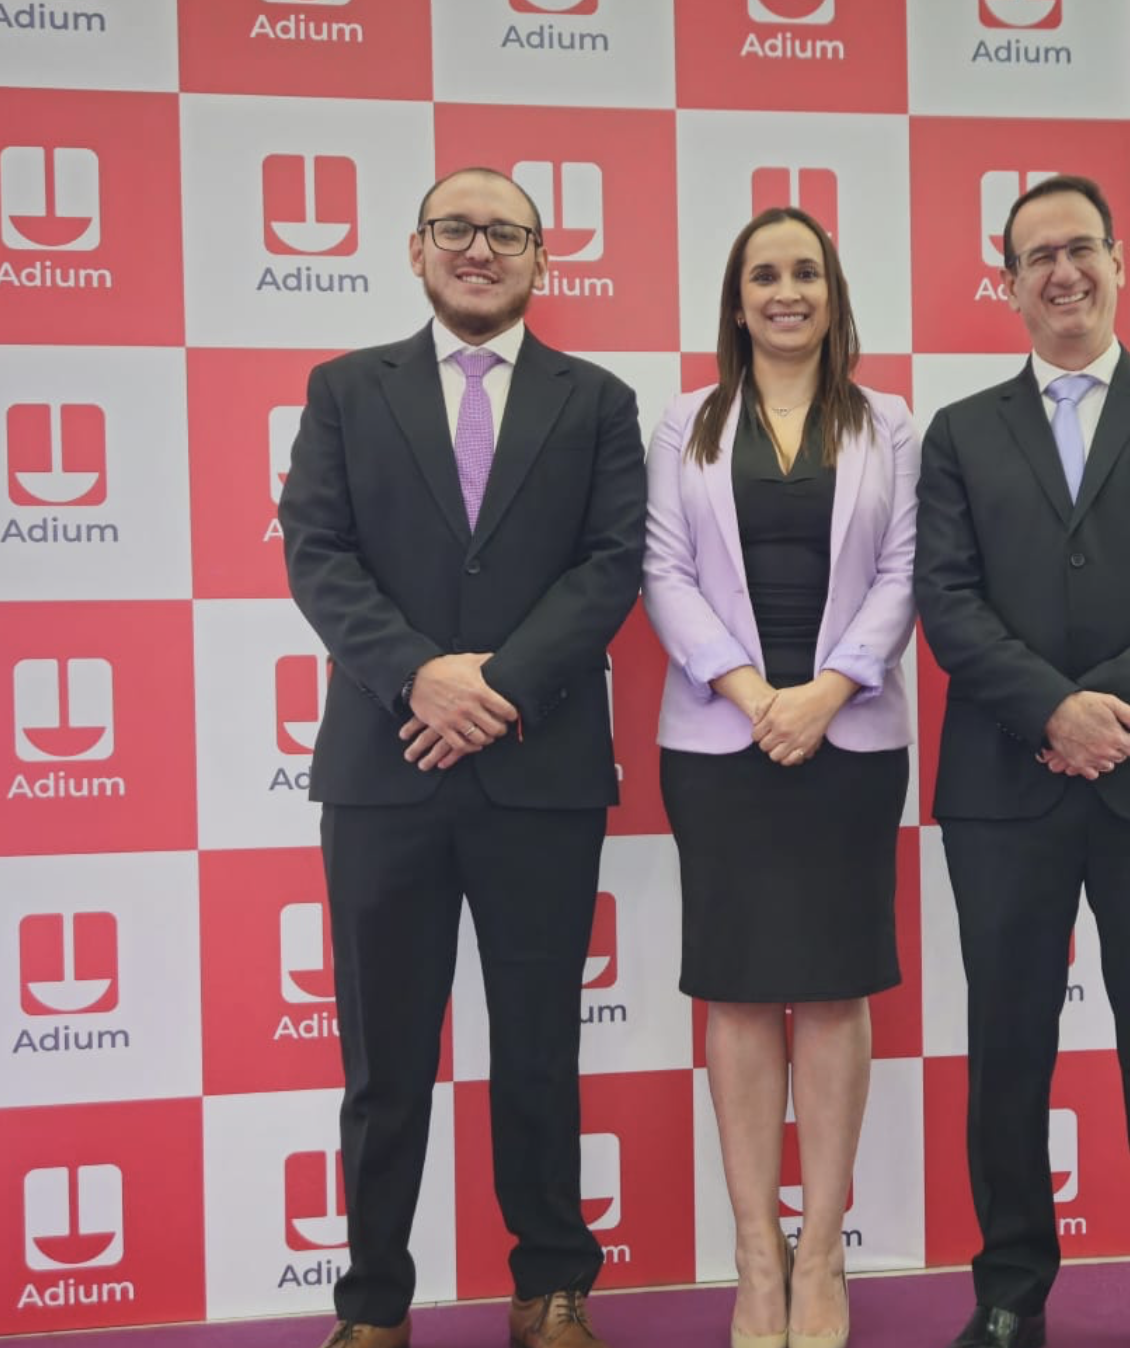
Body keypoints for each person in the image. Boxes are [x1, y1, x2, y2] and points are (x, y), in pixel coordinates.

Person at [278, 166, 646, 1348]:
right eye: (455, 228)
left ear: (541, 257)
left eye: (504, 232)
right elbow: (317, 552)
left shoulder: (597, 401)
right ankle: (373, 1304)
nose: (478, 248)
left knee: (539, 1044)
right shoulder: (346, 389)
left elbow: (609, 565)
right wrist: (418, 675)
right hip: (384, 767)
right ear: (416, 247)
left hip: (539, 770)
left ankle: (551, 1287)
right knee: (383, 1057)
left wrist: (494, 686)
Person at [914, 175, 1130, 1348]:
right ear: (1007, 283)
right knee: (1009, 1046)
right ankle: (1009, 1292)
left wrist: (1107, 708)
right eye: (1036, 257)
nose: (1061, 272)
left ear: (1116, 262)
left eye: (1080, 249)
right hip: (1003, 784)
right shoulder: (961, 431)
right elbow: (947, 603)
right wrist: (1051, 712)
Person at [642, 206, 917, 1348]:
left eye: (806, 272)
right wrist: (756, 694)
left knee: (838, 990)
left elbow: (905, 570)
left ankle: (822, 1257)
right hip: (723, 741)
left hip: (849, 740)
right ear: (737, 298)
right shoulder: (687, 420)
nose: (787, 291)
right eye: (765, 274)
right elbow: (662, 570)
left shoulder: (889, 422)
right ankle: (757, 1259)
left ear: (832, 293)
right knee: (743, 993)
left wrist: (827, 691)